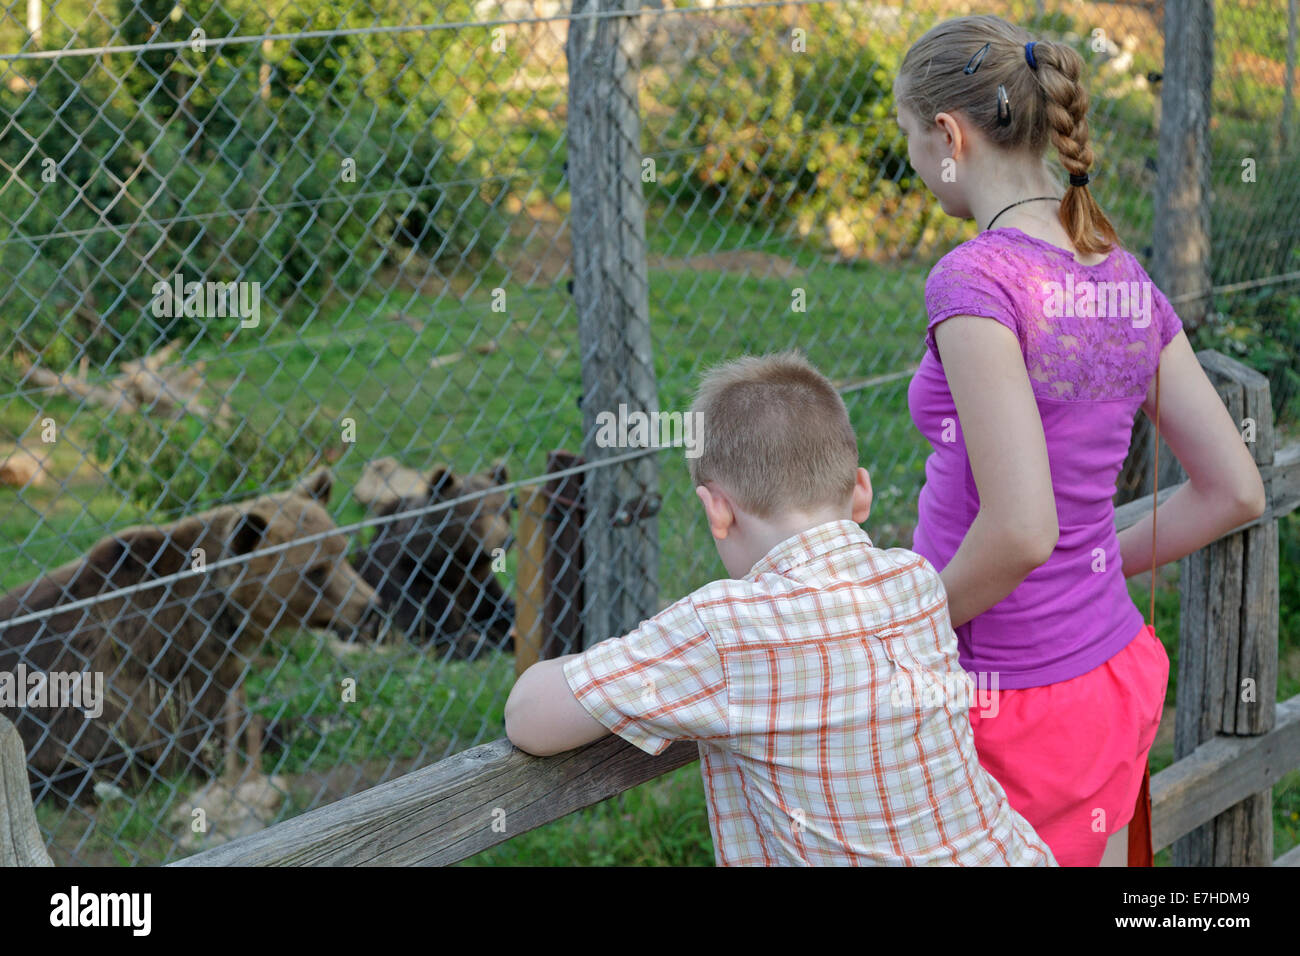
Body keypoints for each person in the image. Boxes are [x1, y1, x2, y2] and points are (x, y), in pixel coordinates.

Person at [892, 13, 1267, 865]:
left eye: (911, 138)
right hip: (1106, 674)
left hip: (1006, 704)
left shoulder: (975, 278)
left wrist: (906, 628)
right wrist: (1100, 562)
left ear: (949, 135)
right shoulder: (1120, 271)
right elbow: (1233, 489)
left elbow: (1023, 531)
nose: (914, 163)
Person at [505, 352, 1055, 866]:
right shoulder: (914, 581)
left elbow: (529, 717)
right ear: (860, 492)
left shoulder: (723, 631)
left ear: (716, 510)